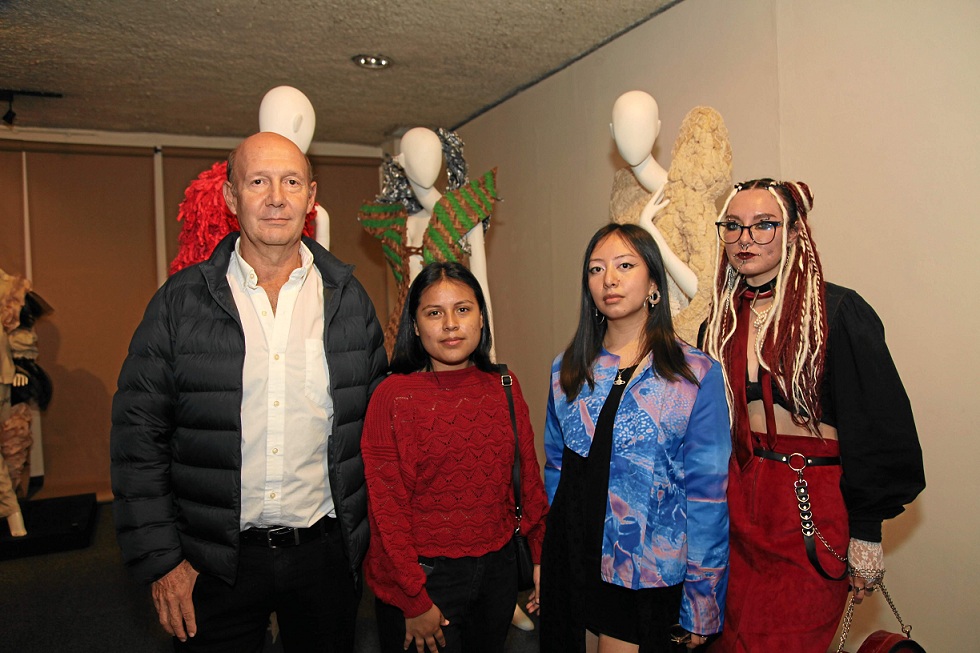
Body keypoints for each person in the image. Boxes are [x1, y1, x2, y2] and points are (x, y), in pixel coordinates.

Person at [110, 131, 387, 652]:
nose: (276, 197)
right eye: (258, 181)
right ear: (232, 198)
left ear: (311, 195)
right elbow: (137, 439)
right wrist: (164, 561)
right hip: (211, 560)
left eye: (290, 181)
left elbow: (375, 434)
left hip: (325, 556)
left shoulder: (350, 302)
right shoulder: (179, 305)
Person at [701, 179, 925, 652]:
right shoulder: (718, 322)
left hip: (807, 513)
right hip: (736, 513)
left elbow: (879, 427)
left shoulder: (836, 312)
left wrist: (866, 532)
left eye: (765, 225)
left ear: (795, 232)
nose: (746, 238)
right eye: (734, 226)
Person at [540, 223, 731, 652]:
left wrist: (703, 602)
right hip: (571, 561)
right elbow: (555, 470)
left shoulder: (692, 375)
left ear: (653, 285)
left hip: (642, 572)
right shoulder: (567, 369)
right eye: (596, 269)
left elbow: (707, 500)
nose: (609, 279)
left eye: (625, 265)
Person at [361, 261, 548, 653]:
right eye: (434, 312)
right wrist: (413, 598)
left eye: (463, 309)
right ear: (414, 326)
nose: (450, 323)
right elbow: (385, 511)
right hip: (424, 579)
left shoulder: (504, 386)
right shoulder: (393, 397)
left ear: (481, 318)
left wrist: (540, 554)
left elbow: (528, 480)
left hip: (496, 574)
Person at [358, 127, 498, 356]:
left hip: (449, 334)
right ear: (401, 161)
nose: (427, 164)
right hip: (403, 334)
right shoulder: (399, 225)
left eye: (434, 155)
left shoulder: (464, 217)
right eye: (418, 156)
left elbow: (480, 289)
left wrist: (490, 356)